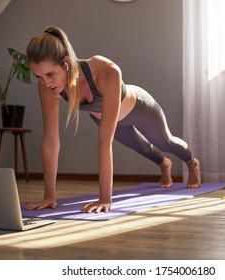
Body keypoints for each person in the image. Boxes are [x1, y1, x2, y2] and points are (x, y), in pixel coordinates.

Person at [25, 26, 201, 213]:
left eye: (50, 74)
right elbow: (51, 140)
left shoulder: (104, 70)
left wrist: (104, 199)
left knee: (166, 142)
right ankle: (165, 164)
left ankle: (192, 163)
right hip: (107, 119)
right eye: (38, 76)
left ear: (66, 63)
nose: (46, 83)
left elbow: (104, 141)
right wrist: (49, 196)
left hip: (139, 108)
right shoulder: (47, 85)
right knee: (141, 148)